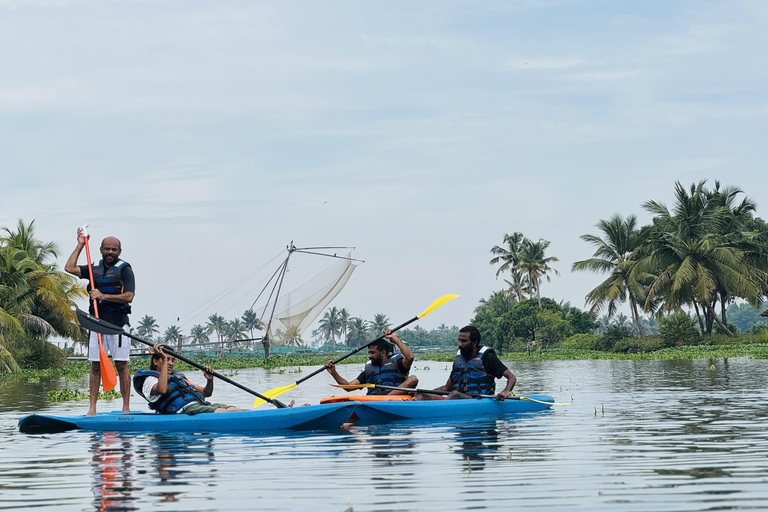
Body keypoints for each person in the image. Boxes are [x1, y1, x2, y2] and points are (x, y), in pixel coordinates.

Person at [65, 228, 135, 416]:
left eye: (114, 249)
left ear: (119, 252)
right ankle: (92, 408)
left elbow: (129, 296)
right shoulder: (92, 267)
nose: (110, 252)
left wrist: (103, 295)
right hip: (96, 325)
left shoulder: (125, 270)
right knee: (95, 367)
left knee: (121, 365)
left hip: (118, 325)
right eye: (107, 249)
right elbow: (69, 268)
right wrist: (80, 244)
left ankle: (126, 408)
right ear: (101, 250)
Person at [133, 344, 246, 414]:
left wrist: (209, 380)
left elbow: (207, 393)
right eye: (166, 359)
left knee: (232, 408)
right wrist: (162, 356)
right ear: (155, 361)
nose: (170, 363)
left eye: (172, 360)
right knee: (227, 412)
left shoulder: (176, 377)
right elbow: (162, 389)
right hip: (186, 410)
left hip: (200, 406)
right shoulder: (150, 380)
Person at [419, 325, 515, 401]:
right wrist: (426, 392)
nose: (459, 344)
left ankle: (440, 410)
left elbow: (511, 377)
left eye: (463, 341)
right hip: (455, 399)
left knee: (455, 394)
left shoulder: (488, 357)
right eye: (459, 340)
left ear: (474, 342)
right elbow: (446, 388)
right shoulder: (459, 360)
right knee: (421, 394)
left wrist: (506, 391)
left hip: (479, 400)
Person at [325, 330, 418, 395]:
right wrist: (334, 372)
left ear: (382, 353)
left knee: (413, 379)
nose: (369, 356)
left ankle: (387, 398)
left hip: (394, 400)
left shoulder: (398, 363)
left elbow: (410, 357)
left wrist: (395, 338)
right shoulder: (369, 370)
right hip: (374, 400)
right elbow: (348, 387)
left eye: (372, 353)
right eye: (369, 352)